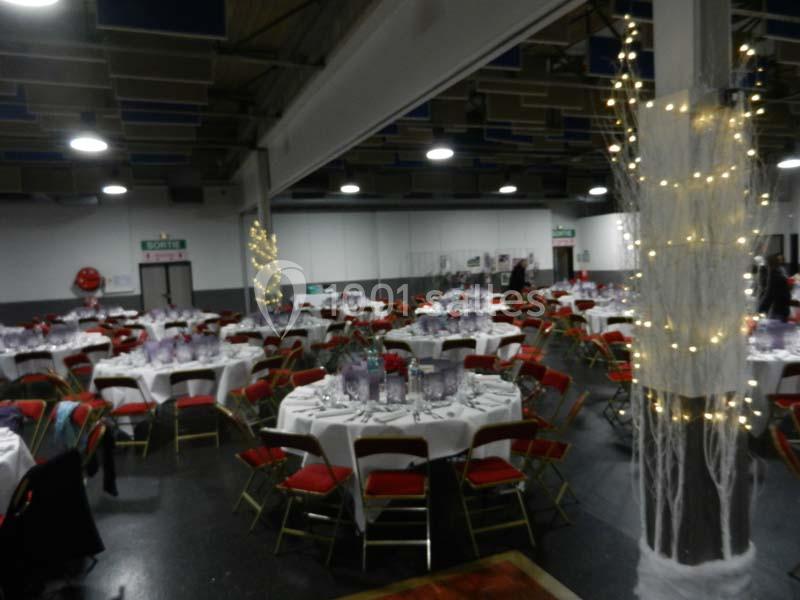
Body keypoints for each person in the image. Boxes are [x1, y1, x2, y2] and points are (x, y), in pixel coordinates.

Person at [758, 253, 791, 322]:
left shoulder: (774, 276)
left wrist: (760, 310)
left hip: (777, 309)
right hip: (782, 308)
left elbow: (769, 294)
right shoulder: (779, 273)